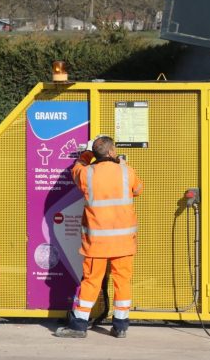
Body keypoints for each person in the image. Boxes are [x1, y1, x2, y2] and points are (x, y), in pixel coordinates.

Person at [54, 135, 143, 338]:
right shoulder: (126, 171)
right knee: (122, 281)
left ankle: (78, 326)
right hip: (123, 242)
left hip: (97, 243)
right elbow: (138, 189)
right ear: (112, 152)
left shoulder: (87, 173)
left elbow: (75, 169)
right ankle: (120, 326)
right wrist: (121, 163)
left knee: (91, 281)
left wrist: (86, 153)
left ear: (95, 154)